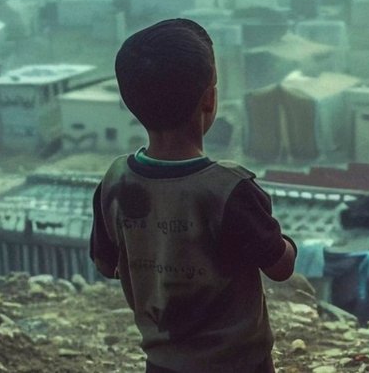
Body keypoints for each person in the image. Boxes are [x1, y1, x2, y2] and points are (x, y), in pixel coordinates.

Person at [90, 18, 297, 373]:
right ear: (209, 99)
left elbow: (105, 265)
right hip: (240, 365)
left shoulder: (116, 181)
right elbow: (281, 267)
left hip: (162, 364)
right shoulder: (229, 188)